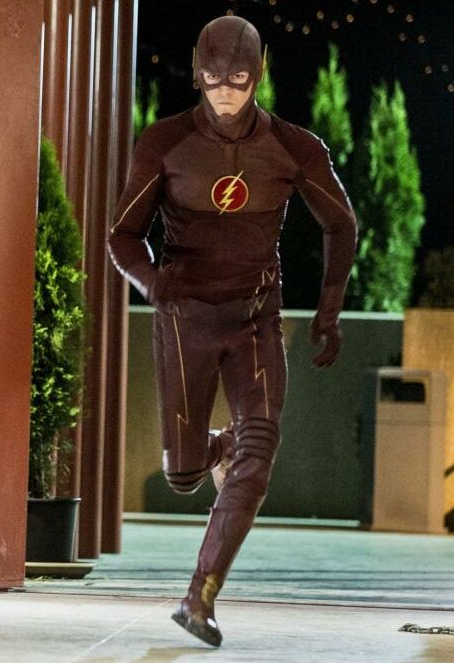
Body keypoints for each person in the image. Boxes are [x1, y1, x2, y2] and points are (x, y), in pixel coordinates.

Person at [107, 16, 357, 647]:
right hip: (184, 318)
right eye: (214, 78)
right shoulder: (165, 142)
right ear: (197, 73)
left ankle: (200, 597)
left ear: (259, 73)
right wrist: (150, 281)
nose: (225, 91)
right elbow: (123, 234)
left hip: (255, 318)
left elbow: (341, 223)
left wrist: (329, 309)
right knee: (183, 475)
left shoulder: (294, 148)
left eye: (238, 78)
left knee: (260, 447)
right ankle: (215, 450)